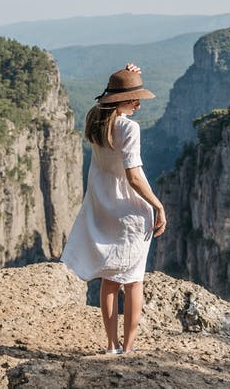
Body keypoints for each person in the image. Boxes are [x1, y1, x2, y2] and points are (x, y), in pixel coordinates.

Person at [61, 63, 167, 355]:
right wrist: (157, 205)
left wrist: (124, 74)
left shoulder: (95, 119)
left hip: (103, 208)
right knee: (133, 282)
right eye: (133, 99)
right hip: (131, 213)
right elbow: (133, 175)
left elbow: (106, 101)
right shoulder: (128, 127)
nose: (137, 104)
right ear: (120, 100)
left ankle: (111, 345)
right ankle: (129, 347)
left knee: (109, 281)